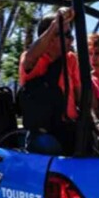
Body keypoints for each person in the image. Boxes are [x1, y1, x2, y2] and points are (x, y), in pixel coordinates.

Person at [17, 8, 81, 153]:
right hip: (44, 132)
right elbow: (30, 57)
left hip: (69, 127)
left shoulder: (70, 59)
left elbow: (80, 94)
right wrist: (55, 25)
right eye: (67, 34)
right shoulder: (32, 59)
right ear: (51, 37)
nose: (72, 39)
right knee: (50, 147)